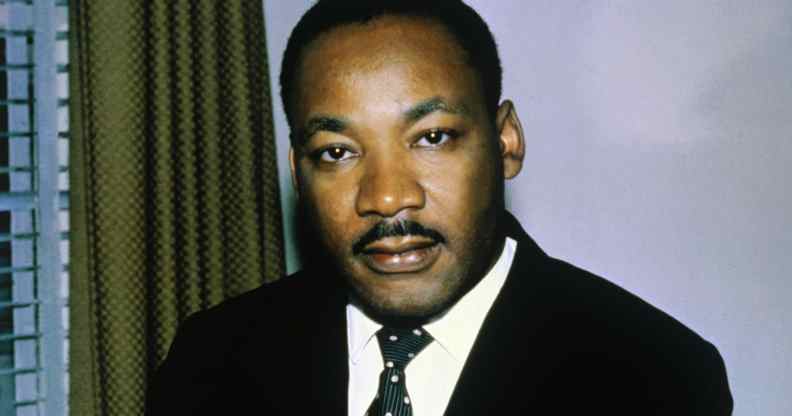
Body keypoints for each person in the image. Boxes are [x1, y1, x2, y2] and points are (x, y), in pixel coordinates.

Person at [146, 1, 733, 414]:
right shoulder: (213, 360)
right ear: (300, 173)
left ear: (506, 142)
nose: (386, 197)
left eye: (431, 138)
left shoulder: (654, 377)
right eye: (338, 151)